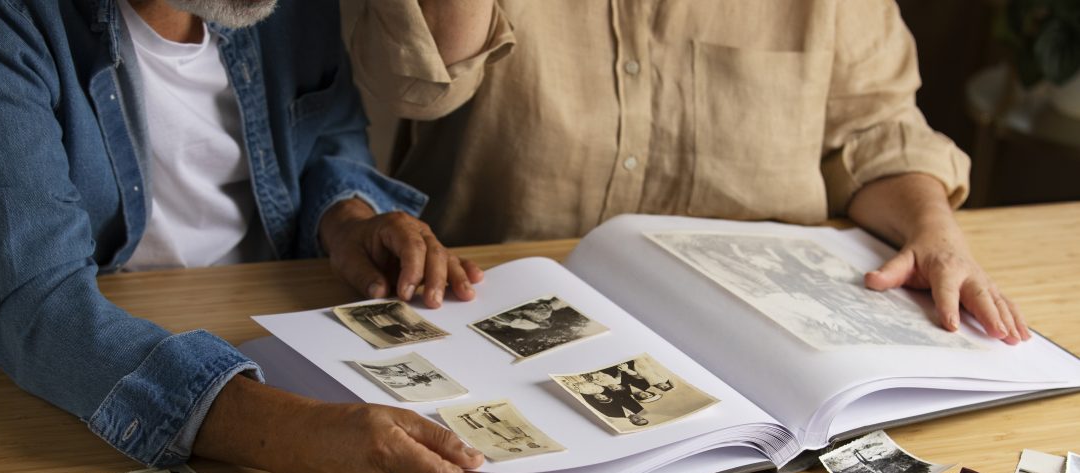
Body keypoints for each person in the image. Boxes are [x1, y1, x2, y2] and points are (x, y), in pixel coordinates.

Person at [0, 0, 487, 473]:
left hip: (276, 325)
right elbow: (37, 306)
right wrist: (293, 436)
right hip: (84, 383)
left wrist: (348, 219)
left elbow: (324, 134)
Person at [342, 0, 1030, 345]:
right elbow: (411, 82)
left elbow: (876, 131)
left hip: (764, 331)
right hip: (485, 305)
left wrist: (935, 233)